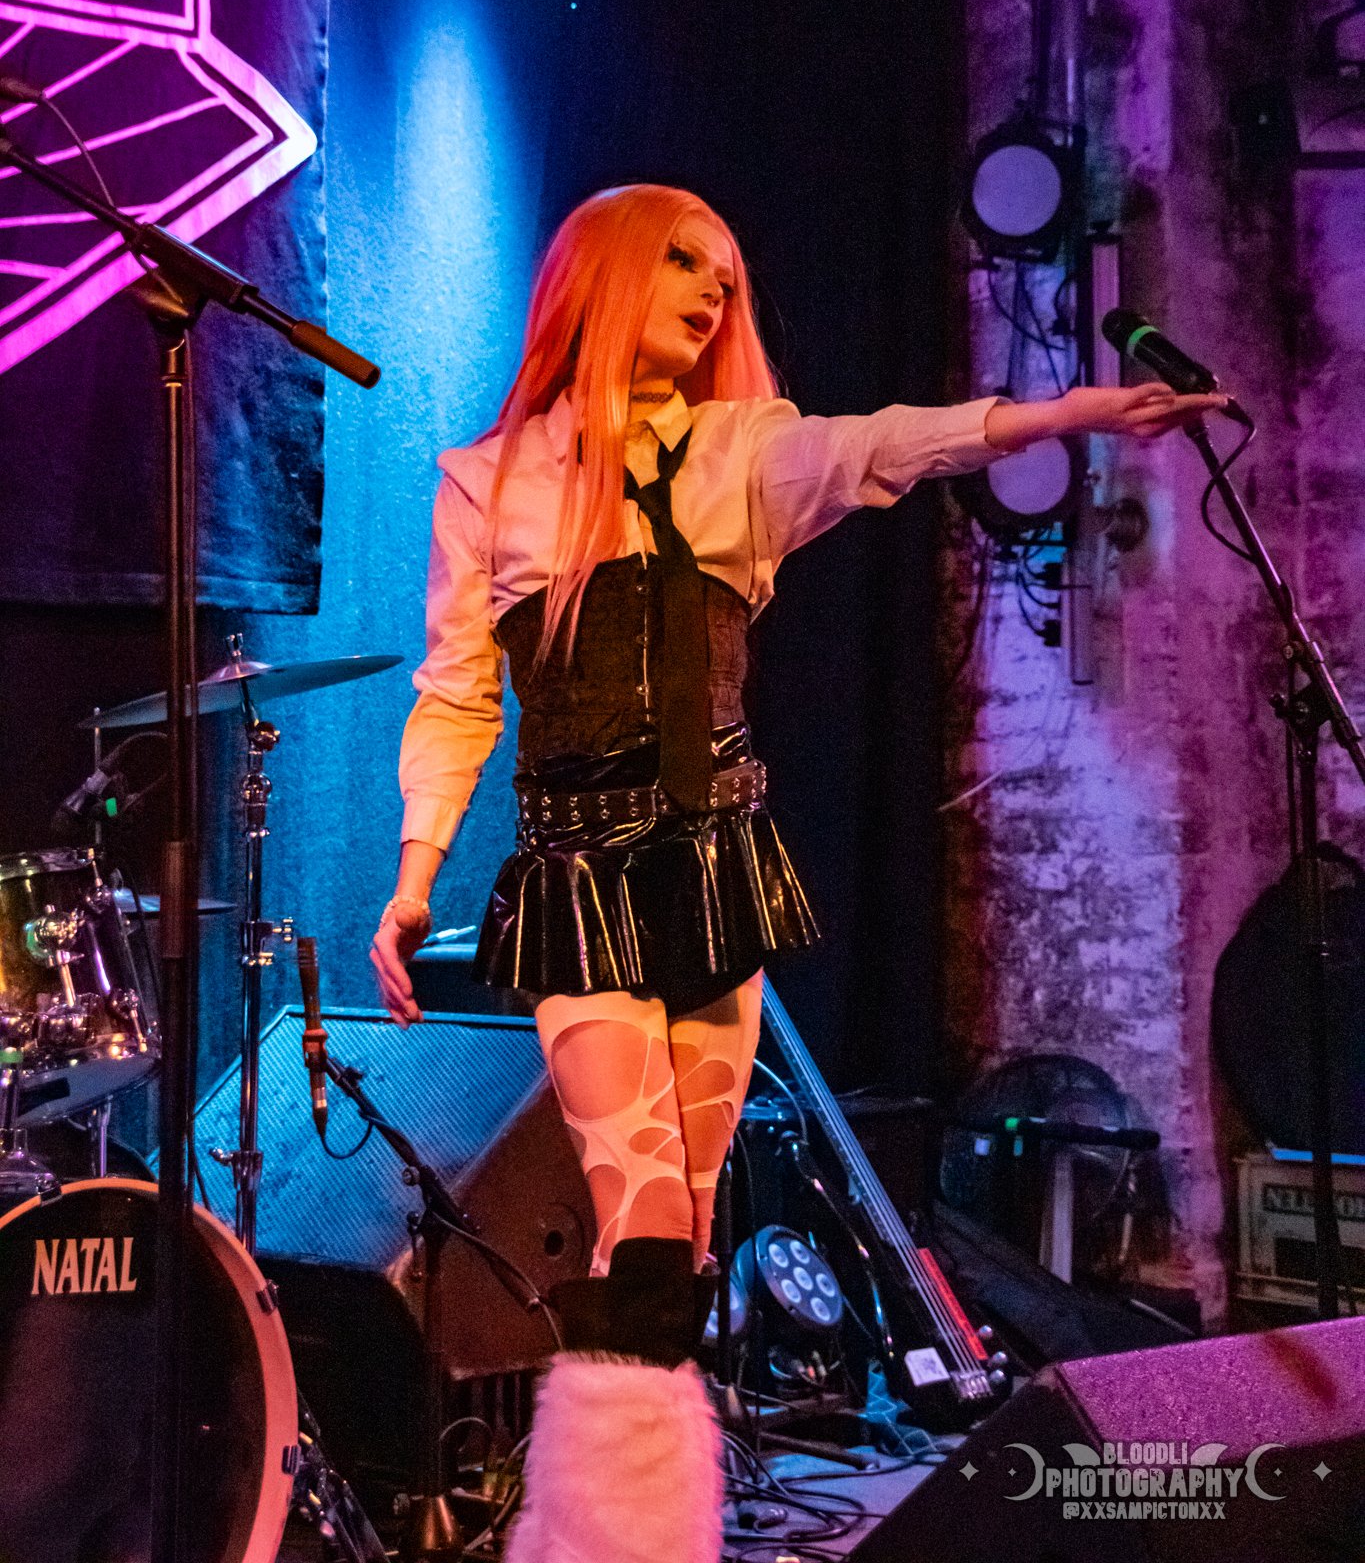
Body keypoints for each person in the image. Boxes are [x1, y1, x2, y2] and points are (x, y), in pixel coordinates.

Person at [371, 182, 1224, 1563]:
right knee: (640, 1222)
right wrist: (414, 881)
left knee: (689, 1230)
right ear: (602, 279)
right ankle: (604, 1542)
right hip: (583, 882)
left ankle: (636, 1526)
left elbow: (901, 440)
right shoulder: (491, 480)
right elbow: (458, 694)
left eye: (728, 272)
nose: (714, 292)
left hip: (715, 875)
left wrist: (1079, 413)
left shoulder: (741, 454)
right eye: (683, 265)